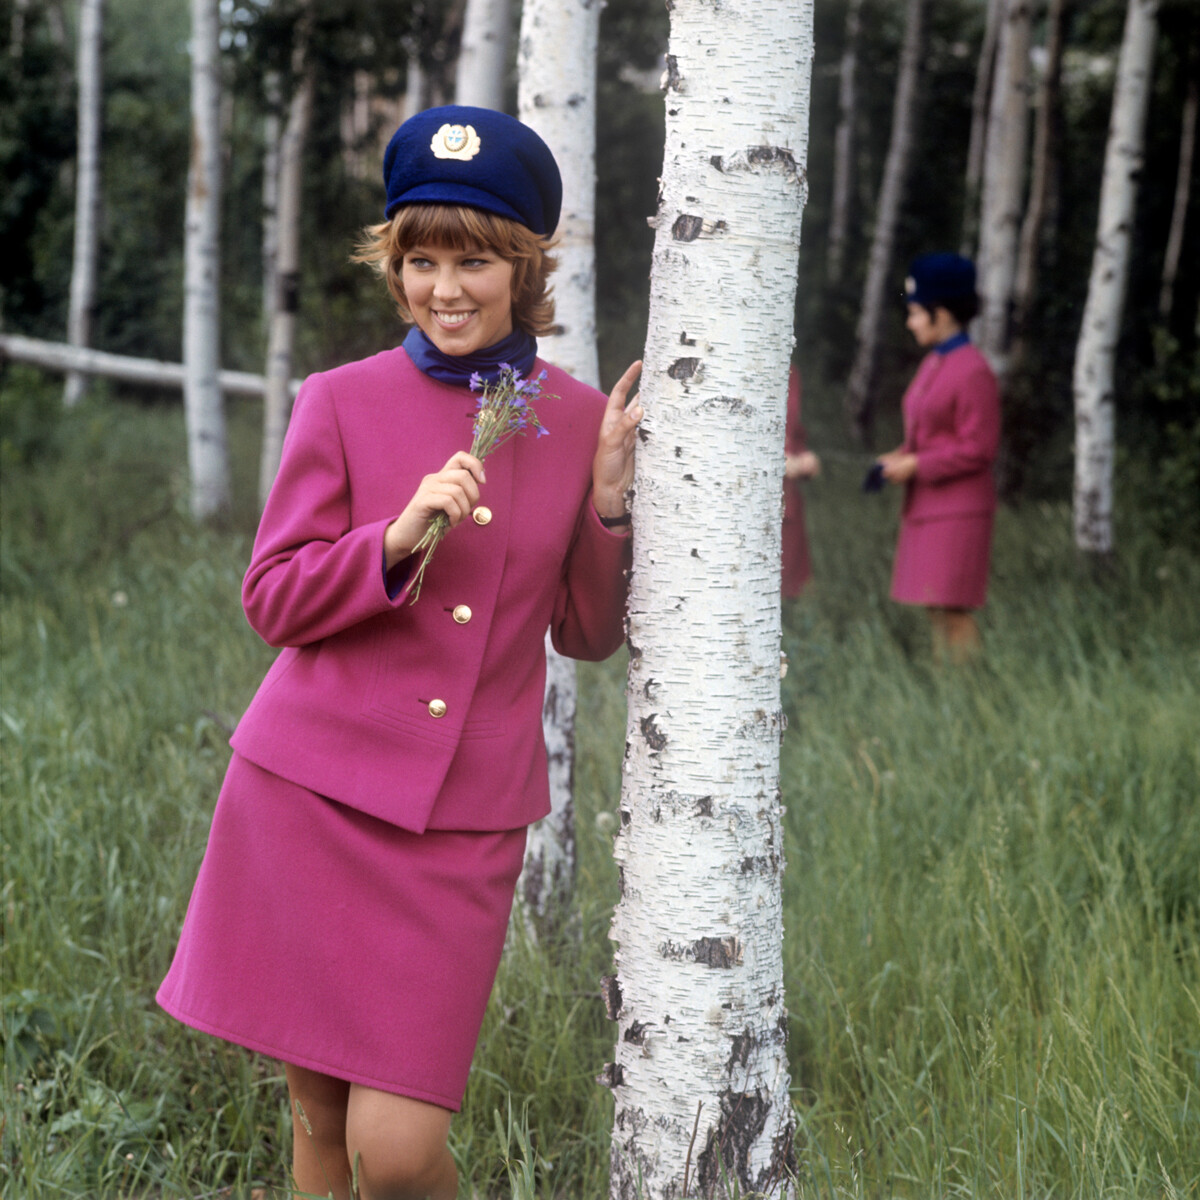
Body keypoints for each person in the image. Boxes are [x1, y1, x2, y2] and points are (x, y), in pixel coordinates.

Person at [156, 106, 643, 1200]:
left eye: (473, 259)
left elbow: (587, 634)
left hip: (461, 827)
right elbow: (272, 598)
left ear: (523, 268)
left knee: (400, 1150)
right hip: (306, 794)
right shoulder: (338, 401)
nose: (445, 288)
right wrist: (393, 540)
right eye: (421, 259)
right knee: (320, 1123)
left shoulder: (569, 420)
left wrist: (608, 509)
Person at [875, 252, 1000, 663]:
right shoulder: (935, 362)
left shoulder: (973, 369)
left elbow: (978, 448)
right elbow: (927, 434)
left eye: (915, 312)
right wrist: (899, 457)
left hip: (958, 511)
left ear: (940, 312)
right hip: (928, 507)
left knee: (952, 609)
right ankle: (950, 691)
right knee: (936, 606)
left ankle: (968, 695)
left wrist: (917, 465)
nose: (910, 322)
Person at [781, 364, 820, 597]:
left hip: (787, 504)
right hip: (739, 509)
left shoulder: (791, 371)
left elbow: (793, 432)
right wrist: (772, 460)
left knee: (790, 598)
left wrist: (804, 456)